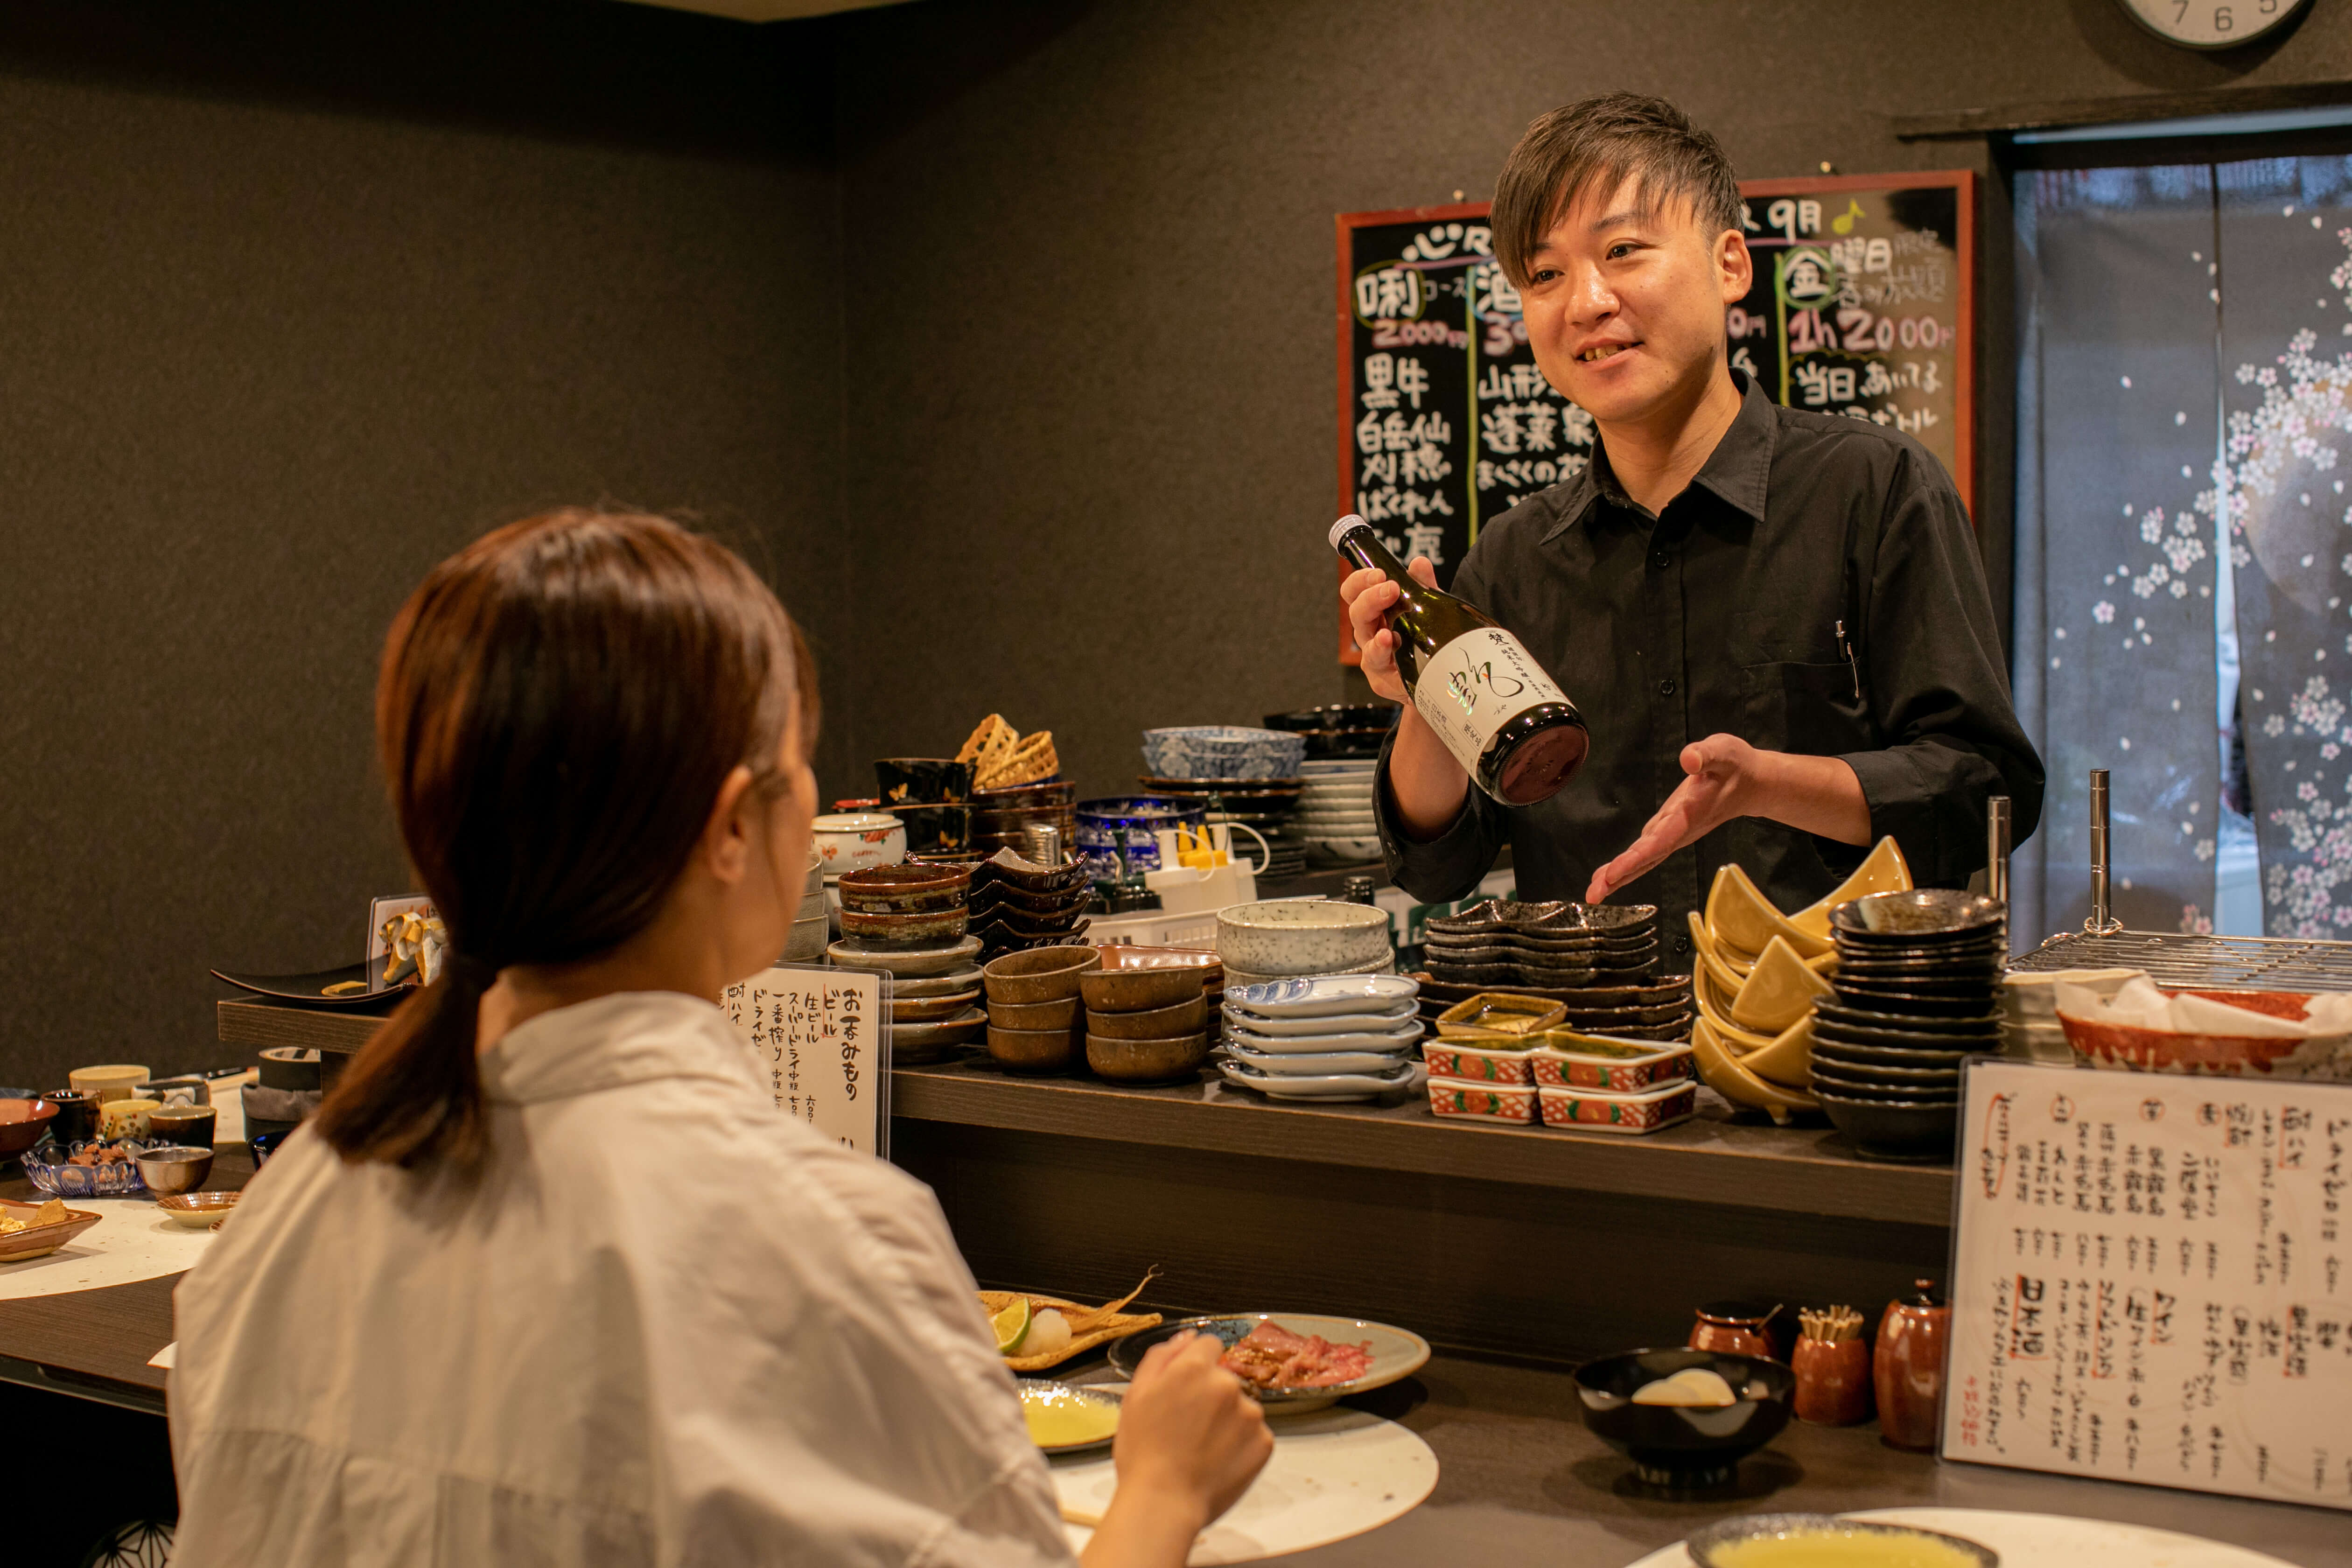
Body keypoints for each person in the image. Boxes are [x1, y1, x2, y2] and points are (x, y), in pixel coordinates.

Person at [169, 509, 1270, 1567]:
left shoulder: (286, 1218)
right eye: (801, 768)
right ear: (735, 827)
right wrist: (1163, 1489)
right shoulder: (825, 1246)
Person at [1344, 94, 2044, 945]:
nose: (1586, 303)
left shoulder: (1877, 488)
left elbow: (1984, 791)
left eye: (1623, 251)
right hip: (1596, 1049)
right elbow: (1437, 866)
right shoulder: (1513, 558)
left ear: (1731, 265)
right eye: (1545, 275)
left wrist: (1767, 784)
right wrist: (1428, 688)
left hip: (1835, 1041)